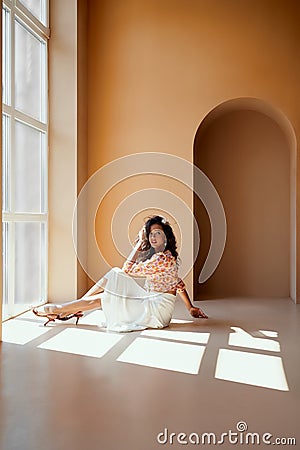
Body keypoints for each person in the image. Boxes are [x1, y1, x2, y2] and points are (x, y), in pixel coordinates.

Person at [33, 215, 208, 332]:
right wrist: (190, 308)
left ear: (166, 237)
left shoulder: (162, 259)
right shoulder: (167, 256)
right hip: (157, 307)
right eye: (149, 234)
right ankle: (70, 309)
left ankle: (63, 309)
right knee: (110, 290)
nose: (152, 237)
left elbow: (127, 270)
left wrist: (139, 243)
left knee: (114, 279)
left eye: (157, 233)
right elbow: (178, 283)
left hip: (156, 311)